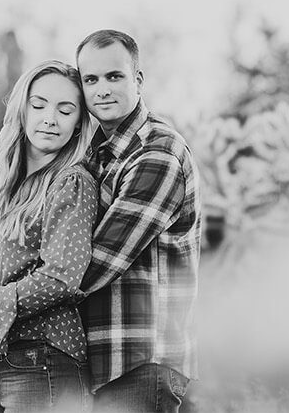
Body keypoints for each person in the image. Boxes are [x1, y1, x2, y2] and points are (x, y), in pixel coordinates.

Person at [0, 60, 102, 413]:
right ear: (21, 109)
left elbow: (62, 277)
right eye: (39, 105)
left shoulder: (71, 182)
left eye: (66, 111)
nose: (50, 118)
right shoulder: (10, 187)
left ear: (79, 123)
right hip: (4, 361)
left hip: (46, 360)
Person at [73, 29, 202, 413]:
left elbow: (99, 261)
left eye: (114, 76)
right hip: (99, 361)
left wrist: (3, 304)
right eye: (90, 80)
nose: (102, 90)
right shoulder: (94, 156)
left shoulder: (158, 152)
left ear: (138, 80)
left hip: (140, 362)